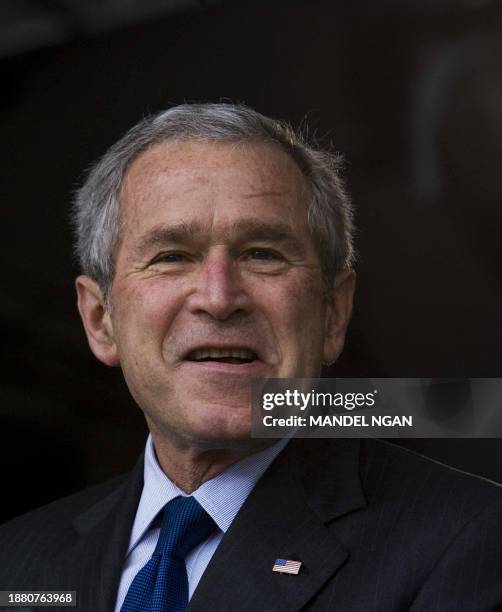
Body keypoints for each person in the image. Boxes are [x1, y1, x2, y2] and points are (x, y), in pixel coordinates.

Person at [0, 103, 501, 612]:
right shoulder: (15, 561)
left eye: (262, 253)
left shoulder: (472, 539)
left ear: (333, 313)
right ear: (99, 320)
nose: (218, 298)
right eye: (171, 256)